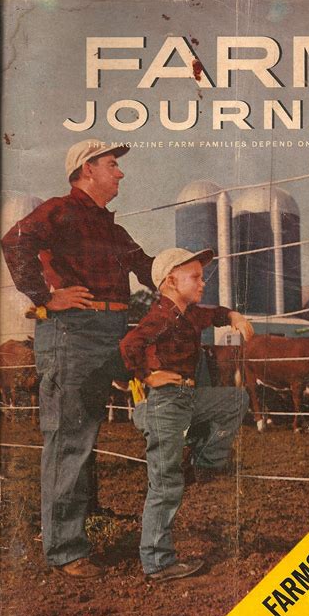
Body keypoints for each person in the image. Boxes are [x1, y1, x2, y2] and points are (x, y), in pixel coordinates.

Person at [1, 139, 155, 579]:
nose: (120, 173)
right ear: (87, 170)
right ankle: (66, 550)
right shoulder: (59, 210)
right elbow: (15, 242)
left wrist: (185, 270)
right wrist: (47, 296)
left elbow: (147, 267)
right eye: (112, 165)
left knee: (91, 430)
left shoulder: (111, 228)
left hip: (112, 332)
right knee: (69, 437)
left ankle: (85, 522)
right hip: (72, 332)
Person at [119, 247, 253, 582]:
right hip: (166, 403)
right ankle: (158, 563)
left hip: (189, 397)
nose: (202, 282)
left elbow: (213, 314)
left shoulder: (188, 314)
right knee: (165, 485)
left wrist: (233, 316)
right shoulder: (159, 317)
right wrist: (147, 376)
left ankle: (205, 463)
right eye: (194, 276)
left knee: (236, 401)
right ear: (169, 282)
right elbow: (128, 346)